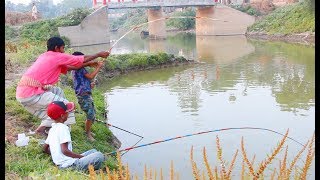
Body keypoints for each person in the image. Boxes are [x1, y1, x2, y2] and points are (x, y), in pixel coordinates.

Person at [16, 36, 110, 135]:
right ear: (57, 48)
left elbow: (70, 67)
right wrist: (99, 54)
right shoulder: (56, 56)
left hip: (23, 91)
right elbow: (80, 59)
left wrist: (88, 64)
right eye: (63, 48)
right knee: (66, 106)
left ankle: (49, 125)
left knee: (58, 91)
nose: (63, 51)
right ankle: (44, 128)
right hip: (30, 94)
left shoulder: (45, 56)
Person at [43, 101, 105, 171]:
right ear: (62, 116)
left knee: (93, 151)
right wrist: (80, 157)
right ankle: (92, 169)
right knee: (99, 156)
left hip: (62, 163)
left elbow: (45, 148)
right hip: (69, 166)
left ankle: (91, 165)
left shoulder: (52, 129)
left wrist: (56, 154)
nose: (68, 113)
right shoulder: (63, 128)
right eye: (67, 112)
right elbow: (65, 151)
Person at [71, 51, 104, 142]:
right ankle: (88, 134)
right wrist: (98, 67)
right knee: (90, 114)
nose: (85, 61)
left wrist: (89, 86)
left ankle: (88, 130)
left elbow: (83, 81)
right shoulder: (79, 69)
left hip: (86, 94)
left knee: (92, 113)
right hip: (83, 95)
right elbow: (90, 76)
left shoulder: (79, 69)